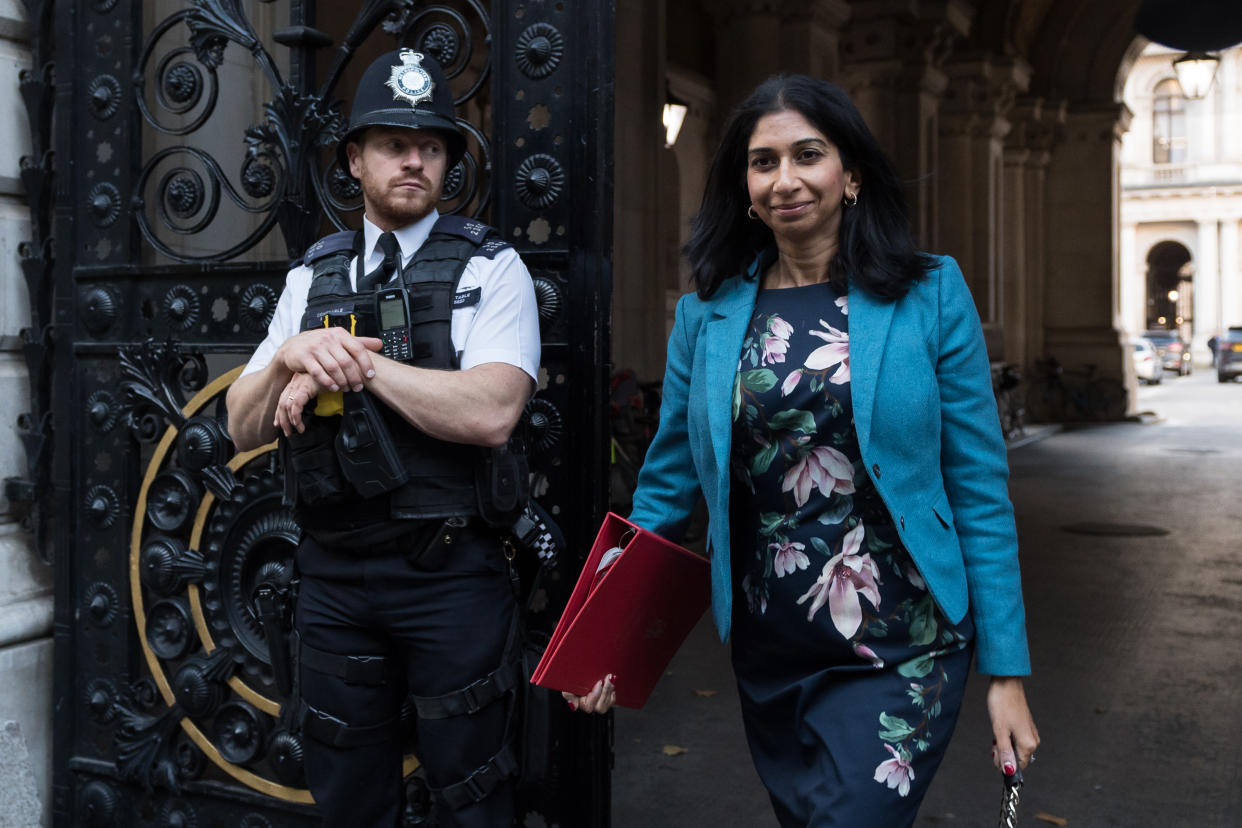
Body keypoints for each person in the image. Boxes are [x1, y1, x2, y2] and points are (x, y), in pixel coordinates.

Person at [566, 75, 1039, 826]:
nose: (784, 179)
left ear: (850, 173)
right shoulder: (707, 318)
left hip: (906, 643)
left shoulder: (930, 294)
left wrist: (1006, 671)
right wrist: (606, 642)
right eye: (762, 162)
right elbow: (665, 491)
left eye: (807, 155)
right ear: (745, 187)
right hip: (773, 645)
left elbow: (978, 485)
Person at [226, 49, 540, 828]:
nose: (414, 159)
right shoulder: (310, 279)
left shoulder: (492, 269)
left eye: (431, 146)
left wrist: (351, 366)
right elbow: (240, 426)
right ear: (355, 161)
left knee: (472, 796)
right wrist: (289, 359)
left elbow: (491, 411)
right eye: (394, 143)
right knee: (348, 799)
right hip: (332, 579)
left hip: (451, 576)